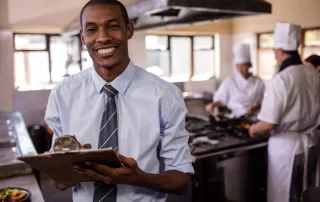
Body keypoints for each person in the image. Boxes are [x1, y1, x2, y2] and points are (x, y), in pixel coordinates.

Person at [44, 0, 194, 202]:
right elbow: (58, 183)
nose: (103, 38)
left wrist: (137, 178)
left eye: (113, 26)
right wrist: (73, 168)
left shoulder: (165, 95)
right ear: (83, 37)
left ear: (129, 30)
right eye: (91, 29)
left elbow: (181, 181)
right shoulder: (63, 94)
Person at [249, 22, 320, 202]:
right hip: (311, 145)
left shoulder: (281, 79)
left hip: (286, 148)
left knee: (282, 195)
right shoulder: (313, 74)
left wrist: (252, 130)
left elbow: (268, 123)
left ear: (280, 51)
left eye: (274, 51)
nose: (274, 55)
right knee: (305, 191)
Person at [205, 44, 265, 118]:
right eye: (238, 66)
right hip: (234, 118)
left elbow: (264, 102)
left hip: (254, 118)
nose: (240, 69)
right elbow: (221, 99)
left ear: (249, 65)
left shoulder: (259, 83)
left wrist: (254, 108)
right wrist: (213, 104)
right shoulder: (230, 81)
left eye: (243, 66)